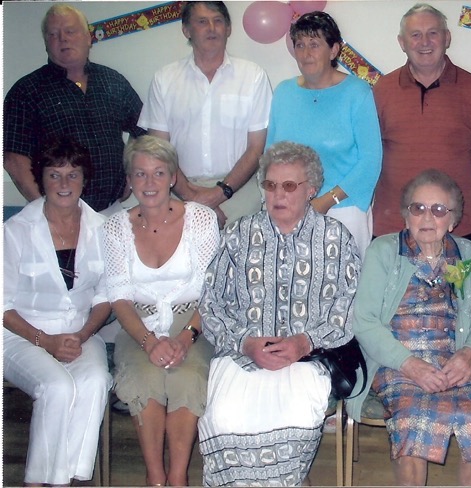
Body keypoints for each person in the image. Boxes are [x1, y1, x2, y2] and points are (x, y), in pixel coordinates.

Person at [198, 141, 362, 486]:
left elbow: (349, 307)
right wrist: (244, 343)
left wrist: (306, 341)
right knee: (225, 419)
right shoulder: (239, 234)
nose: (278, 195)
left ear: (311, 190)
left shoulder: (335, 238)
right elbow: (211, 303)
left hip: (308, 359)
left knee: (295, 420)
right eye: (271, 185)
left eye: (289, 186)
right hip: (242, 355)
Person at [348, 169, 471, 486]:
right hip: (398, 362)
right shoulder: (384, 251)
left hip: (456, 361)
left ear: (452, 219)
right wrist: (411, 365)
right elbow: (363, 320)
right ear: (406, 216)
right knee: (414, 422)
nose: (427, 217)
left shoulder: (466, 254)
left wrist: (469, 355)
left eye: (438, 209)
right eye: (418, 208)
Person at [103, 135, 220, 486]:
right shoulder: (115, 227)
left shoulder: (200, 218)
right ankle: (155, 476)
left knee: (187, 378)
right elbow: (119, 298)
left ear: (172, 177)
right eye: (140, 174)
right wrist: (149, 342)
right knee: (144, 378)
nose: (149, 183)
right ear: (129, 180)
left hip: (196, 321)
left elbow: (212, 290)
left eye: (158, 173)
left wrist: (186, 338)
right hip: (138, 324)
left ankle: (178, 475)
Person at [3, 136, 112, 485]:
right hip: (21, 335)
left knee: (96, 381)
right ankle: (38, 481)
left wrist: (81, 335)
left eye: (73, 174)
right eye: (54, 175)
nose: (64, 184)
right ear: (41, 178)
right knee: (57, 388)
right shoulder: (16, 230)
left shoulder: (103, 230)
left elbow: (106, 297)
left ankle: (69, 479)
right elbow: (1, 305)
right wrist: (45, 340)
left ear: (85, 178)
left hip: (80, 332)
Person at [138, 1, 273, 228]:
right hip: (179, 194)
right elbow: (158, 150)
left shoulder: (253, 76)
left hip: (239, 196)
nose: (211, 27)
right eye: (202, 21)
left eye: (218, 21)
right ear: (186, 29)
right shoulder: (165, 79)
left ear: (228, 29)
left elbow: (256, 148)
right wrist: (192, 197)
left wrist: (220, 193)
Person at [4, 4, 145, 214]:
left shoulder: (113, 81)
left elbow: (144, 130)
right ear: (46, 44)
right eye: (53, 34)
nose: (63, 39)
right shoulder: (26, 91)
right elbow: (14, 159)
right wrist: (47, 209)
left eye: (70, 31)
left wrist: (132, 173)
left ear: (88, 37)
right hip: (55, 215)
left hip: (111, 211)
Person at [372, 3, 471, 241]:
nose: (424, 42)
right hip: (394, 229)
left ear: (447, 38)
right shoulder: (382, 91)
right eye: (415, 35)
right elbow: (369, 157)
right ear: (402, 42)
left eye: (433, 33)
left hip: (457, 230)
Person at [266, 11, 382, 258]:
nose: (306, 53)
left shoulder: (357, 92)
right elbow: (269, 157)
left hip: (343, 207)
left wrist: (326, 201)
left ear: (333, 50)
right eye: (300, 45)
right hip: (288, 207)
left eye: (315, 44)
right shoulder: (284, 93)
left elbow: (370, 161)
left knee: (345, 287)